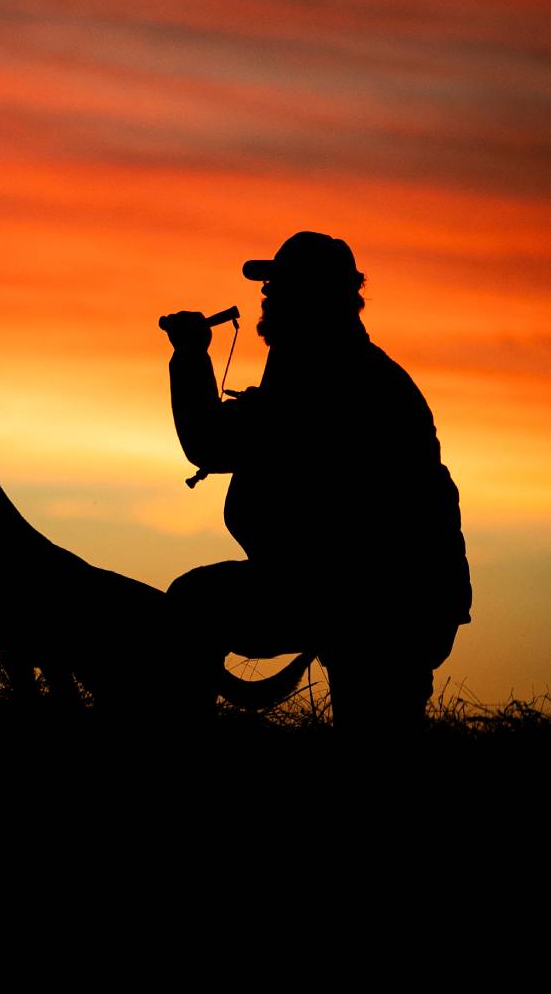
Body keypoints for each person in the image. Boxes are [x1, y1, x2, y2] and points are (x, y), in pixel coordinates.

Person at [160, 231, 471, 735]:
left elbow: (210, 443)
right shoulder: (341, 367)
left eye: (278, 286)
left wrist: (191, 354)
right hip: (373, 593)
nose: (265, 295)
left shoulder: (329, 377)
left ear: (312, 297)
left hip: (377, 599)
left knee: (194, 605)